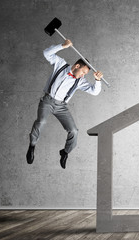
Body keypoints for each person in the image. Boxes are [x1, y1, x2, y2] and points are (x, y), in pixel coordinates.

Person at [26, 39, 103, 169]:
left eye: (85, 74)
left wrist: (97, 80)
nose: (83, 76)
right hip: (48, 101)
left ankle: (65, 152)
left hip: (61, 106)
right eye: (83, 72)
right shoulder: (60, 65)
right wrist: (62, 46)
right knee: (41, 122)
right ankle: (32, 145)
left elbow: (95, 92)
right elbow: (46, 53)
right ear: (77, 66)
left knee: (74, 131)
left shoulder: (80, 82)